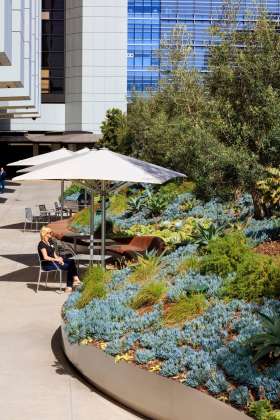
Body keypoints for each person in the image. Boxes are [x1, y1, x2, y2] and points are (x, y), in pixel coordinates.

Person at [38, 226, 81, 292]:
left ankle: (75, 279)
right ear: (45, 234)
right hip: (47, 264)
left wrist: (59, 258)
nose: (51, 234)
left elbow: (54, 253)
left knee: (71, 260)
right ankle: (69, 286)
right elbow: (45, 257)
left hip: (54, 262)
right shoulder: (41, 244)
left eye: (51, 232)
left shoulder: (49, 242)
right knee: (69, 266)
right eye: (50, 233)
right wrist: (57, 260)